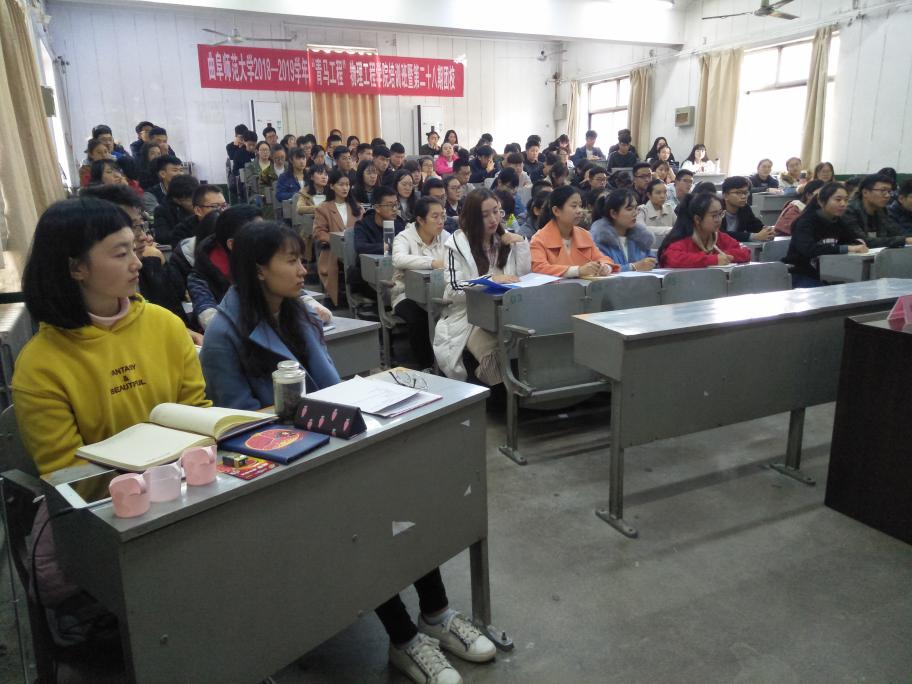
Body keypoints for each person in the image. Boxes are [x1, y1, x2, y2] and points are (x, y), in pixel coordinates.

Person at [201, 219, 491, 684]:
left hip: (336, 442)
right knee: (364, 519)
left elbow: (331, 387)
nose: (304, 270)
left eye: (301, 260)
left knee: (404, 501)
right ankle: (403, 639)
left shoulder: (298, 313)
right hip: (286, 469)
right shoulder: (224, 336)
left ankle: (435, 613)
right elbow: (241, 430)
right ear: (258, 269)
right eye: (291, 261)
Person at [12, 198, 211, 636]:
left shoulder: (164, 325)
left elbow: (196, 414)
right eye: (120, 254)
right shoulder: (40, 364)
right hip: (104, 510)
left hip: (184, 486)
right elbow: (67, 472)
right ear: (76, 268)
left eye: (134, 249)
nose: (137, 263)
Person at [434, 188, 530, 383]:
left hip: (507, 311)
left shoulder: (505, 238)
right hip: (470, 315)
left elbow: (523, 276)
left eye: (496, 211)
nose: (493, 219)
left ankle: (517, 390)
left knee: (528, 343)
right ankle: (498, 390)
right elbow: (453, 289)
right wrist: (491, 280)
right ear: (472, 218)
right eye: (485, 215)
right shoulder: (457, 244)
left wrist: (520, 244)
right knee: (495, 353)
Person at [389, 197, 448, 369]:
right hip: (406, 293)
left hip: (438, 291)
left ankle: (448, 362)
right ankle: (426, 365)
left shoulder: (445, 236)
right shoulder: (404, 237)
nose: (440, 221)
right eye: (435, 217)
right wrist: (431, 263)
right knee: (418, 318)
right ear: (421, 220)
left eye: (443, 216)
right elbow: (398, 259)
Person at [783, 182, 869, 287]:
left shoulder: (838, 221)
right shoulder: (805, 222)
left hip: (829, 272)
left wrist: (856, 242)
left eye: (846, 200)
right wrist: (847, 248)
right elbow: (809, 249)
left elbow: (850, 239)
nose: (843, 204)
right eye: (838, 200)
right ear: (821, 201)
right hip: (800, 273)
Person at [530, 185, 617, 278]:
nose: (579, 211)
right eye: (574, 206)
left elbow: (602, 258)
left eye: (580, 206)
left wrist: (605, 267)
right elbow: (539, 267)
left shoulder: (584, 235)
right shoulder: (539, 239)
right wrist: (578, 271)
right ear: (556, 211)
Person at [658, 192, 751, 268]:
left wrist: (723, 256)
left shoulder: (719, 236)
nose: (719, 220)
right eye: (714, 215)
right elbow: (672, 259)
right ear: (697, 219)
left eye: (720, 214)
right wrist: (713, 259)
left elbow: (745, 252)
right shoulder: (683, 239)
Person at [314, 169, 362, 306]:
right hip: (333, 250)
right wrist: (337, 241)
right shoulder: (323, 208)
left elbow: (362, 230)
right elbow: (319, 232)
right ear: (331, 186)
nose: (345, 188)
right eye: (341, 184)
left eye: (347, 184)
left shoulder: (357, 207)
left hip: (355, 249)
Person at [351, 186, 405, 292]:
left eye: (396, 204)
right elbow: (360, 246)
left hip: (395, 272)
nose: (394, 209)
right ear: (377, 208)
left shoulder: (399, 223)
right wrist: (384, 247)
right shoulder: (363, 225)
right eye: (389, 205)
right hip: (368, 276)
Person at [590, 189, 657, 272]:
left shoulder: (641, 238)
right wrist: (633, 267)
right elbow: (602, 270)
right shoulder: (598, 240)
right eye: (629, 209)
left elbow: (651, 261)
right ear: (613, 213)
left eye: (636, 208)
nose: (635, 213)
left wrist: (651, 263)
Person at [843, 173, 912, 248]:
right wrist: (904, 240)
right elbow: (863, 241)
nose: (887, 195)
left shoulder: (882, 211)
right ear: (865, 192)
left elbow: (897, 233)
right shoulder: (848, 211)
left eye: (889, 191)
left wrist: (906, 239)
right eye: (883, 191)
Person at [720, 176, 773, 242]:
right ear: (725, 195)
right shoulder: (716, 210)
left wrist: (768, 231)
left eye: (745, 193)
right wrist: (754, 236)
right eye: (738, 193)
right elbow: (719, 234)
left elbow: (755, 225)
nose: (743, 196)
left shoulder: (745, 208)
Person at [152, 174, 199, 248]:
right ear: (177, 200)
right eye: (191, 200)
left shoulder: (204, 205)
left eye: (197, 198)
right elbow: (162, 237)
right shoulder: (162, 210)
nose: (197, 203)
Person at [636, 179, 675, 247]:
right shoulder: (642, 210)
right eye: (658, 193)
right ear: (649, 195)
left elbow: (678, 227)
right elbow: (641, 230)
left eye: (665, 192)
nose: (663, 196)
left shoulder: (669, 208)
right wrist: (669, 230)